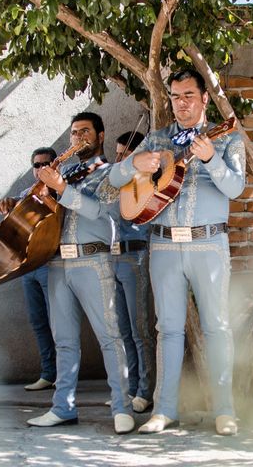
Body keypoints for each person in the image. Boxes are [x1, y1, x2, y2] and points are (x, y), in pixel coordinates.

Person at [110, 69, 245, 435]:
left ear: (204, 99)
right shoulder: (156, 138)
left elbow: (236, 189)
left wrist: (212, 159)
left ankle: (224, 410)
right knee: (166, 328)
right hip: (164, 243)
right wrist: (132, 164)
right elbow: (115, 180)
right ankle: (164, 409)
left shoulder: (229, 137)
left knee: (217, 327)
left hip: (209, 244)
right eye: (175, 96)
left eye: (188, 95)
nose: (181, 103)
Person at [26, 112, 133, 435]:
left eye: (85, 132)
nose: (78, 138)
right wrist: (39, 198)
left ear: (100, 136)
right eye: (74, 133)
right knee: (65, 341)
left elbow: (101, 211)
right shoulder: (67, 172)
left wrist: (61, 189)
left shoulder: (111, 173)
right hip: (57, 263)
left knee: (110, 337)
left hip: (92, 261)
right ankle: (63, 408)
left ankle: (122, 408)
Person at [0, 147, 58, 392]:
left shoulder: (61, 188)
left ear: (55, 165)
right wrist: (9, 205)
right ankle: (48, 372)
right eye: (36, 165)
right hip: (28, 265)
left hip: (52, 263)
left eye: (46, 164)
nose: (41, 169)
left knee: (59, 323)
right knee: (37, 320)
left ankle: (64, 375)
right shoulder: (26, 193)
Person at [112, 131, 155, 413]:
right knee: (124, 330)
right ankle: (131, 387)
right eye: (117, 153)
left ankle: (146, 390)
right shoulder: (116, 181)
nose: (119, 158)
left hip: (135, 255)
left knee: (140, 329)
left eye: (124, 153)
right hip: (113, 258)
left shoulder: (145, 182)